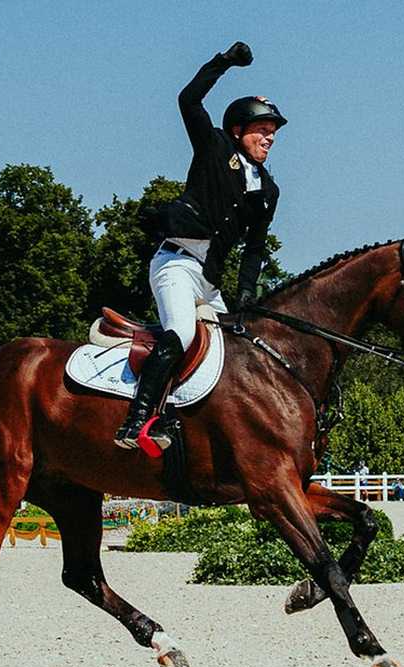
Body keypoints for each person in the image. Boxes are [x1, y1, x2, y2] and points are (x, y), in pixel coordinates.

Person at [114, 40, 286, 450]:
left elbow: (255, 249)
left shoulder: (268, 190)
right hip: (175, 264)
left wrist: (246, 293)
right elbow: (188, 99)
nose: (270, 138)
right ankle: (138, 420)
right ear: (238, 130)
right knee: (181, 334)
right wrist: (223, 62)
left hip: (208, 282)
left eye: (274, 132)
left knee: (240, 351)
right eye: (263, 130)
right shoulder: (214, 147)